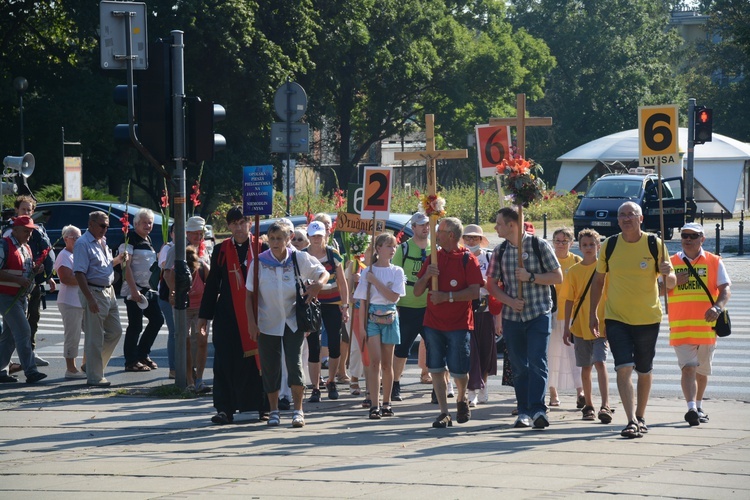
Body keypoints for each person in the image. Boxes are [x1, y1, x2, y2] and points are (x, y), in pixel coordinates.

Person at [589, 201, 675, 439]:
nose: (627, 218)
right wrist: (593, 313)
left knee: (644, 370)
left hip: (648, 317)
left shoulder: (654, 244)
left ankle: (641, 415)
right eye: (622, 215)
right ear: (618, 221)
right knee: (623, 367)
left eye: (631, 214)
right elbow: (598, 281)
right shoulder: (610, 245)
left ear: (640, 219)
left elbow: (670, 284)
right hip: (616, 317)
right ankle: (630, 421)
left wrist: (668, 274)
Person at [245, 220, 329, 428]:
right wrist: (251, 323)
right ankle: (273, 410)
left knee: (294, 364)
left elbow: (323, 272)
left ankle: (298, 410)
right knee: (270, 367)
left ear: (288, 239)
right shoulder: (259, 262)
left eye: (279, 238)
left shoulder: (298, 258)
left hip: (293, 320)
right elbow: (249, 295)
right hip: (267, 321)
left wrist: (318, 285)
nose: (275, 242)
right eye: (272, 238)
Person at [486, 207, 563, 429]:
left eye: (499, 223)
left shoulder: (539, 245)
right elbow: (490, 284)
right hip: (512, 317)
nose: (496, 227)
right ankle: (523, 411)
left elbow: (557, 277)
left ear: (512, 225)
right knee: (519, 366)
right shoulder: (500, 251)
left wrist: (530, 277)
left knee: (538, 362)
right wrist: (509, 301)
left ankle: (539, 409)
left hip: (538, 313)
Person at [198, 207, 266, 424]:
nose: (239, 227)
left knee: (259, 361)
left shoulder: (261, 248)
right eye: (234, 223)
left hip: (257, 314)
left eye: (243, 222)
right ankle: (224, 409)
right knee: (224, 361)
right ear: (228, 226)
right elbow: (212, 286)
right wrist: (203, 318)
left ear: (250, 223)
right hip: (227, 315)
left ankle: (263, 406)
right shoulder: (222, 250)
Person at [414, 217, 483, 428]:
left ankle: (462, 398)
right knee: (435, 367)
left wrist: (447, 297)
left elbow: (474, 292)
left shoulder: (468, 259)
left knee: (459, 369)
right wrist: (426, 276)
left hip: (459, 324)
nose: (435, 235)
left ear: (451, 235)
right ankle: (444, 412)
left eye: (439, 232)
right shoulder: (433, 258)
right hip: (433, 323)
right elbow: (417, 291)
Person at [666, 222, 731, 426]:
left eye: (693, 236)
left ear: (702, 239)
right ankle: (691, 408)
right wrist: (674, 281)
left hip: (706, 327)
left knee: (702, 371)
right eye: (684, 235)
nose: (687, 239)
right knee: (688, 369)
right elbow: (657, 290)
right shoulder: (670, 263)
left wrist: (717, 307)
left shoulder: (713, 261)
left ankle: (699, 404)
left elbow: (725, 289)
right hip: (681, 327)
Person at [561, 229, 613, 423]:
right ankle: (589, 405)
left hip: (601, 323)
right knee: (585, 367)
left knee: (600, 362)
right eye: (585, 245)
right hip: (580, 325)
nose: (588, 248)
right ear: (579, 247)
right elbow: (568, 300)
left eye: (592, 244)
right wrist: (566, 327)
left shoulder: (605, 269)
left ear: (598, 246)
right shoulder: (573, 271)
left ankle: (605, 404)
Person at [353, 233, 406, 419]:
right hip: (372, 318)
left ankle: (387, 402)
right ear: (378, 248)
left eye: (394, 246)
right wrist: (361, 327)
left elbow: (393, 297)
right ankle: (374, 404)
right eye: (388, 246)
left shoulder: (397, 271)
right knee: (374, 362)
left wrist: (376, 282)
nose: (392, 249)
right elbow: (362, 300)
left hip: (390, 315)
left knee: (387, 363)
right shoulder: (368, 271)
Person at [74, 211, 127, 387]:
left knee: (115, 331)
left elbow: (102, 266)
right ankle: (95, 377)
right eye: (102, 225)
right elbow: (79, 273)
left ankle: (91, 366)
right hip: (94, 292)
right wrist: (90, 299)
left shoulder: (101, 241)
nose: (106, 229)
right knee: (94, 337)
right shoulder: (83, 243)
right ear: (91, 224)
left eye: (107, 225)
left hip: (108, 291)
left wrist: (118, 259)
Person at [304, 220, 349, 401]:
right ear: (308, 237)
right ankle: (315, 387)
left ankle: (331, 380)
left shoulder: (333, 255)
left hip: (332, 303)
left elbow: (342, 282)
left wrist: (345, 306)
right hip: (312, 304)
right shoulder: (302, 256)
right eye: (313, 235)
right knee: (313, 345)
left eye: (320, 236)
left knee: (334, 344)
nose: (316, 239)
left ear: (326, 236)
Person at [0, 216, 48, 384]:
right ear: (16, 230)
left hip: (20, 297)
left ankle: (0, 370)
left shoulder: (25, 247)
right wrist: (18, 280)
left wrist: (35, 269)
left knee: (10, 335)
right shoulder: (4, 244)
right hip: (6, 297)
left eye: (31, 230)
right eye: (26, 230)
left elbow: (23, 270)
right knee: (23, 331)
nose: (30, 233)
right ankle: (31, 371)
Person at [11, 195, 56, 366]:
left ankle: (30, 352)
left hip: (35, 281)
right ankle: (22, 359)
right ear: (16, 210)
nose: (27, 212)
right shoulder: (13, 231)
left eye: (29, 210)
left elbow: (41, 252)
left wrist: (49, 277)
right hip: (20, 284)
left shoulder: (34, 229)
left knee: (34, 318)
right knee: (19, 325)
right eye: (23, 209)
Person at [392, 212, 431, 402]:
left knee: (435, 347)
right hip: (407, 306)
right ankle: (395, 384)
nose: (425, 228)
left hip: (430, 306)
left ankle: (438, 387)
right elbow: (394, 277)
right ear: (413, 227)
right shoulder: (404, 248)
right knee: (401, 349)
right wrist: (395, 304)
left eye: (427, 224)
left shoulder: (436, 249)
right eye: (421, 225)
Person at [120, 208, 164, 372]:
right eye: (144, 222)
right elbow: (126, 266)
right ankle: (131, 361)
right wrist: (133, 290)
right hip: (135, 291)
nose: (148, 225)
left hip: (149, 290)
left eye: (150, 222)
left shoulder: (148, 239)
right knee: (135, 326)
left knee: (157, 320)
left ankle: (142, 353)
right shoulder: (129, 239)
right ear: (136, 223)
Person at [548, 227, 584, 408]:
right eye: (557, 240)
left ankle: (581, 392)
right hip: (552, 314)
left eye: (564, 241)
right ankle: (553, 393)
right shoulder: (547, 261)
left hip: (572, 315)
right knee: (552, 355)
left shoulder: (577, 261)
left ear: (571, 243)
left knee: (575, 356)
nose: (560, 244)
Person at [461, 224, 497, 407]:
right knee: (470, 352)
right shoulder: (460, 257)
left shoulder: (489, 257)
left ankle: (483, 386)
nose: (471, 241)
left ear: (480, 240)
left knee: (486, 351)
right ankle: (471, 390)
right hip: (466, 309)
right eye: (468, 238)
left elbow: (496, 283)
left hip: (486, 309)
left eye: (474, 238)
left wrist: (482, 283)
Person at [53, 225, 86, 379]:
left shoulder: (79, 254)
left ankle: (86, 363)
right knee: (72, 335)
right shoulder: (64, 255)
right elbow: (65, 278)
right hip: (70, 301)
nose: (78, 240)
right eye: (75, 237)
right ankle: (70, 369)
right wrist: (86, 281)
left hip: (82, 300)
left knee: (94, 332)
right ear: (66, 239)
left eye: (80, 237)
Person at [185, 245, 210, 393]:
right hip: (184, 310)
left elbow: (213, 286)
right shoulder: (178, 270)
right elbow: (170, 286)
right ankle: (189, 380)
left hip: (200, 309)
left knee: (202, 341)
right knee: (185, 343)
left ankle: (199, 379)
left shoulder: (202, 269)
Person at [157, 224, 176, 378]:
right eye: (177, 232)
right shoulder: (168, 248)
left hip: (184, 295)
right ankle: (174, 369)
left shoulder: (189, 246)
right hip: (167, 295)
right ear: (171, 234)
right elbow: (165, 267)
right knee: (175, 331)